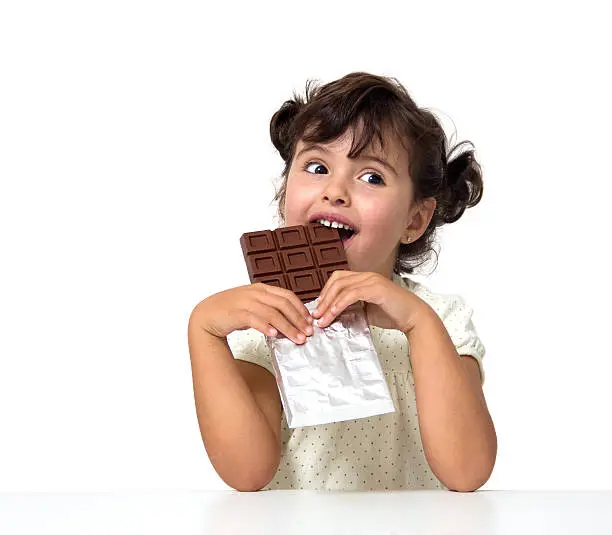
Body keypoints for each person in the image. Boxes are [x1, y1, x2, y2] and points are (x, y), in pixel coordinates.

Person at [188, 72, 497, 493]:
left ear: (414, 219)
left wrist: (419, 326)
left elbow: (467, 471)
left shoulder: (440, 318)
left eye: (371, 177)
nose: (335, 191)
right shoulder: (265, 323)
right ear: (284, 196)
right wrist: (204, 331)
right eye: (317, 167)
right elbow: (247, 473)